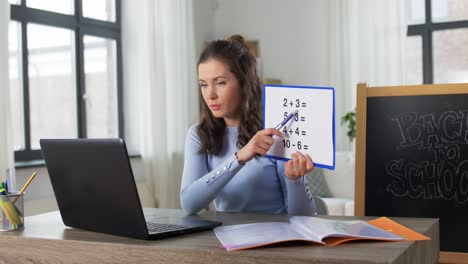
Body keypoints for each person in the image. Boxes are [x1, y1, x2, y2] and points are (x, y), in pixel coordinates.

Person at [180, 35, 316, 216]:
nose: (210, 94)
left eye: (220, 83)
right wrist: (238, 159)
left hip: (276, 239)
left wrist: (295, 180)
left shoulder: (276, 132)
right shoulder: (199, 134)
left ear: (244, 83)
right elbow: (189, 204)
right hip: (227, 240)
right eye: (203, 84)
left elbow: (304, 218)